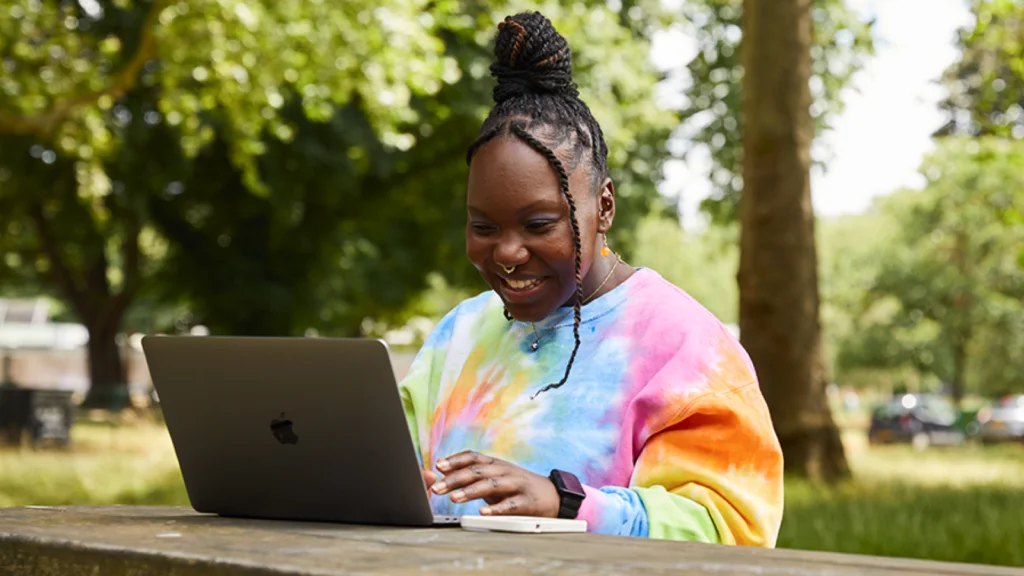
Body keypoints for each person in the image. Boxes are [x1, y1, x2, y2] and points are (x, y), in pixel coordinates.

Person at [399, 11, 784, 546]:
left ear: (603, 206)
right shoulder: (457, 335)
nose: (507, 253)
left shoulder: (686, 346)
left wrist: (566, 502)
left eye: (538, 224)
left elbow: (731, 531)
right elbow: (388, 468)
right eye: (483, 226)